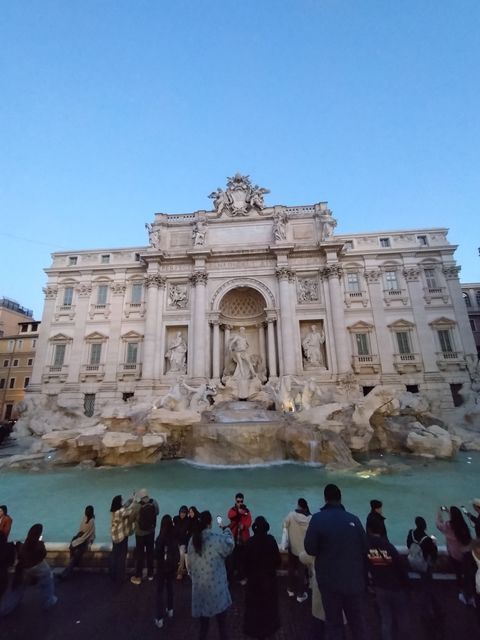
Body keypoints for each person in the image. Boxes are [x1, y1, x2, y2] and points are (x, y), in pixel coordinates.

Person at [304, 483, 369, 640]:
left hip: (329, 583)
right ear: (340, 499)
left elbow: (310, 549)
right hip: (354, 582)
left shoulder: (317, 519)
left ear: (325, 499)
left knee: (334, 624)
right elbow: (365, 548)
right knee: (358, 624)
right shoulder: (354, 519)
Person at [188, 510, 234, 640]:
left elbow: (190, 565)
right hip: (216, 589)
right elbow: (230, 545)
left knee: (203, 627)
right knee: (222, 627)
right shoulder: (216, 539)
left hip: (200, 589)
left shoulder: (192, 541)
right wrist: (226, 530)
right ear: (210, 523)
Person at [367, 517, 410, 640]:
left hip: (380, 587)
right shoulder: (387, 546)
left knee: (386, 618)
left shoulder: (367, 547)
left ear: (369, 529)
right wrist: (407, 585)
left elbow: (368, 565)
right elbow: (400, 566)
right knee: (402, 617)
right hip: (396, 587)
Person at [243, 515, 281, 639]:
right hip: (269, 581)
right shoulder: (271, 540)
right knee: (269, 608)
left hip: (253, 582)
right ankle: (269, 631)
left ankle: (255, 631)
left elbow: (245, 564)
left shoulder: (249, 542)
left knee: (254, 608)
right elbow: (278, 561)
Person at [406, 516, 441, 636]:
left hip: (413, 561)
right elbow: (433, 553)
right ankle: (428, 609)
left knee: (423, 580)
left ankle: (427, 600)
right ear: (425, 526)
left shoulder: (411, 533)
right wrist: (434, 543)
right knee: (427, 584)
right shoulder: (427, 539)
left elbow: (408, 545)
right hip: (424, 564)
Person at [436, 505, 471, 603]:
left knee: (458, 574)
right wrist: (449, 512)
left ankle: (463, 594)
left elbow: (438, 524)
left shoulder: (448, 526)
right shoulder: (463, 525)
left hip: (454, 554)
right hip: (466, 554)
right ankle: (471, 595)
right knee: (468, 574)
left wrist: (439, 512)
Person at [16, 524, 57, 609]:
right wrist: (41, 544)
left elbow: (20, 555)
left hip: (27, 568)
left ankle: (15, 600)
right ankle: (49, 601)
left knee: (21, 585)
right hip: (40, 568)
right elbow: (43, 555)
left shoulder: (25, 545)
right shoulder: (39, 545)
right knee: (48, 580)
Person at [282, 497, 311, 602]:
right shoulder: (310, 519)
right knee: (301, 572)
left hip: (292, 547)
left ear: (298, 505)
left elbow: (284, 525)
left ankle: (290, 590)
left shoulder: (291, 515)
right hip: (303, 550)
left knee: (291, 569)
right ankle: (300, 594)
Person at [154, 514, 180, 629]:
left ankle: (159, 618)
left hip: (161, 568)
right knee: (170, 587)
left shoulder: (160, 538)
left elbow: (156, 554)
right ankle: (170, 609)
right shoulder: (174, 536)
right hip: (171, 567)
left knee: (159, 592)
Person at [130, 488, 159, 584]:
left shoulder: (137, 506)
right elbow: (157, 512)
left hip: (140, 534)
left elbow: (131, 518)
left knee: (140, 554)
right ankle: (150, 574)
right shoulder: (154, 502)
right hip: (151, 532)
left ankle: (139, 575)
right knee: (150, 553)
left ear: (140, 496)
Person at [60, 505, 95, 579]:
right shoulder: (87, 519)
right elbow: (85, 532)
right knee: (73, 556)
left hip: (83, 541)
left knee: (74, 558)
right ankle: (66, 573)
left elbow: (85, 533)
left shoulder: (89, 521)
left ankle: (64, 574)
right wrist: (78, 537)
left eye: (87, 511)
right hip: (81, 540)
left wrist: (78, 537)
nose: (86, 512)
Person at [227, 492, 252, 584]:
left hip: (243, 539)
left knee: (243, 560)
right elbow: (230, 516)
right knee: (232, 560)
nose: (240, 503)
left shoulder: (246, 511)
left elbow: (249, 521)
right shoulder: (233, 510)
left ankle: (242, 577)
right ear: (235, 501)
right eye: (238, 501)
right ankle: (230, 579)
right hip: (233, 538)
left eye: (241, 501)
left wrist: (244, 526)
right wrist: (238, 512)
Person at [110, 494, 135, 583]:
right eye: (121, 500)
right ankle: (121, 577)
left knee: (115, 556)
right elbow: (130, 511)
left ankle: (113, 575)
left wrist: (131, 499)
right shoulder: (121, 512)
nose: (122, 501)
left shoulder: (114, 511)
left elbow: (125, 506)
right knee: (122, 557)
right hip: (121, 537)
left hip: (114, 536)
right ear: (119, 503)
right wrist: (135, 502)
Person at [173, 505, 190, 580]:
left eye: (184, 513)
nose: (182, 514)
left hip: (183, 542)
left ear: (186, 513)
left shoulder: (188, 521)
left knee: (182, 554)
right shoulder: (175, 518)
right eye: (181, 512)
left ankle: (180, 573)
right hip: (175, 540)